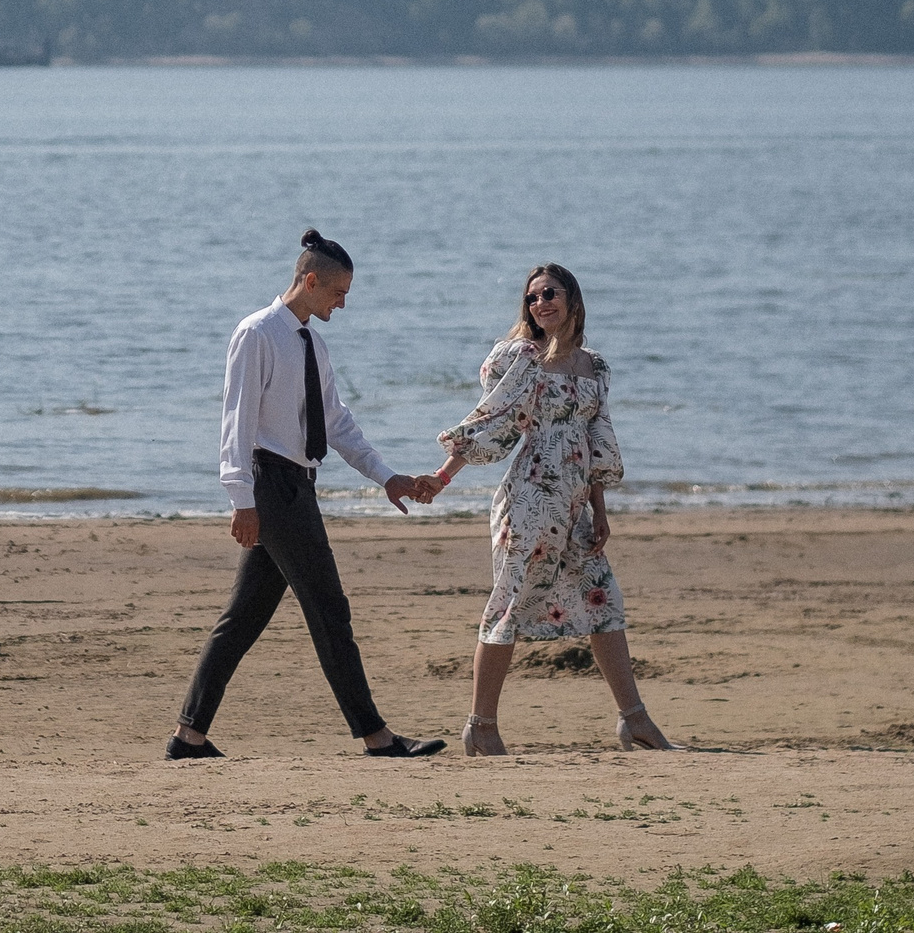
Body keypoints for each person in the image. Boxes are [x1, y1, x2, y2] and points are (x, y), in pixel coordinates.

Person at [167, 229, 446, 761]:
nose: (343, 303)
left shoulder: (311, 342)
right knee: (329, 610)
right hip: (271, 488)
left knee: (243, 619)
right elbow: (237, 421)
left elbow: (336, 423)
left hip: (298, 487)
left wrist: (386, 476)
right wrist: (240, 499)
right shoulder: (256, 334)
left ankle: (188, 737)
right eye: (338, 292)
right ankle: (376, 736)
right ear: (310, 280)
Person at [426, 263, 674, 755]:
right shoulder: (523, 358)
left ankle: (635, 721)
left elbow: (597, 440)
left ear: (572, 300)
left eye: (551, 294)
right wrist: (441, 475)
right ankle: (480, 726)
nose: (542, 303)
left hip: (576, 506)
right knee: (510, 606)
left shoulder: (594, 366)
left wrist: (600, 512)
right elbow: (492, 423)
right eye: (534, 297)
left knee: (603, 602)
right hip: (531, 500)